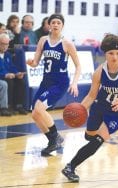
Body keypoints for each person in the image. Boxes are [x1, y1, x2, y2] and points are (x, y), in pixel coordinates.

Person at [62, 34, 118, 182]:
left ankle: (70, 166)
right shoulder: (99, 72)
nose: (115, 57)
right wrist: (78, 111)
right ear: (105, 54)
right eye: (111, 53)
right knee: (89, 137)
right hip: (100, 105)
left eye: (117, 53)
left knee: (98, 140)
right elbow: (91, 96)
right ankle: (92, 142)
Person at [26, 14, 81, 156]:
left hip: (60, 82)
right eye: (53, 22)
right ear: (49, 25)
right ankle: (53, 141)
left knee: (40, 108)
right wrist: (31, 63)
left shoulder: (67, 43)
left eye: (58, 23)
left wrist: (74, 83)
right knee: (35, 114)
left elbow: (78, 66)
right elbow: (36, 62)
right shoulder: (43, 40)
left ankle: (56, 137)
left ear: (62, 25)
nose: (55, 25)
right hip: (46, 81)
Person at [0, 33, 27, 114]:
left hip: (7, 76)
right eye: (2, 44)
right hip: (2, 77)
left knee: (20, 81)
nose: (5, 46)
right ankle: (8, 106)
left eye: (7, 44)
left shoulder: (7, 55)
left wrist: (17, 73)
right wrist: (5, 75)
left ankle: (18, 105)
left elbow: (12, 67)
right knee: (9, 82)